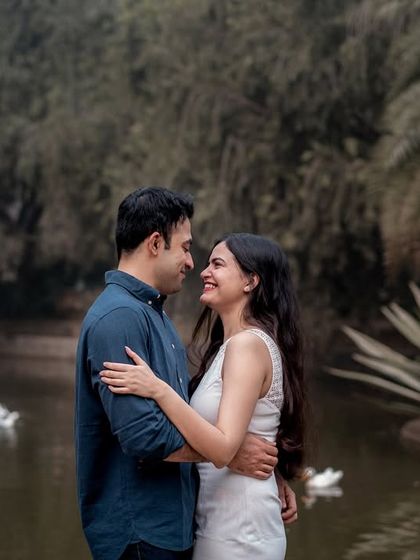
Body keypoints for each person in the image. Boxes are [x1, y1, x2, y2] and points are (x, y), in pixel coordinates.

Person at [75, 188, 297, 560]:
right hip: (140, 531)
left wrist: (258, 464)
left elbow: (213, 422)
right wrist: (230, 454)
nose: (194, 265)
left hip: (184, 527)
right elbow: (144, 435)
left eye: (215, 263)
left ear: (251, 281)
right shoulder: (121, 318)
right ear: (155, 243)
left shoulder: (156, 317)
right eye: (186, 248)